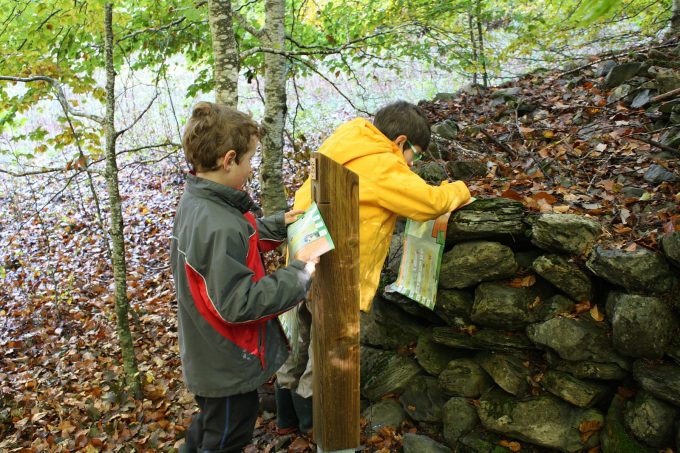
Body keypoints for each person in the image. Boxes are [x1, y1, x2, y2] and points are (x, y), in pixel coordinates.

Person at [275, 100, 472, 435]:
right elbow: (428, 203)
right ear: (400, 142)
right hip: (337, 270)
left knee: (301, 340)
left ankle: (286, 418)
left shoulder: (347, 139)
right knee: (327, 350)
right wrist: (461, 189)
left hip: (303, 256)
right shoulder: (383, 164)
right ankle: (314, 425)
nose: (413, 163)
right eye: (416, 154)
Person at [170, 101, 317, 453]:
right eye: (250, 160)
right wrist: (300, 274)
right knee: (225, 437)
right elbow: (238, 302)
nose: (251, 169)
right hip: (225, 359)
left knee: (209, 425)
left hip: (211, 353)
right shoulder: (217, 222)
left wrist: (279, 226)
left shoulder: (204, 203)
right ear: (229, 159)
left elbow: (242, 237)